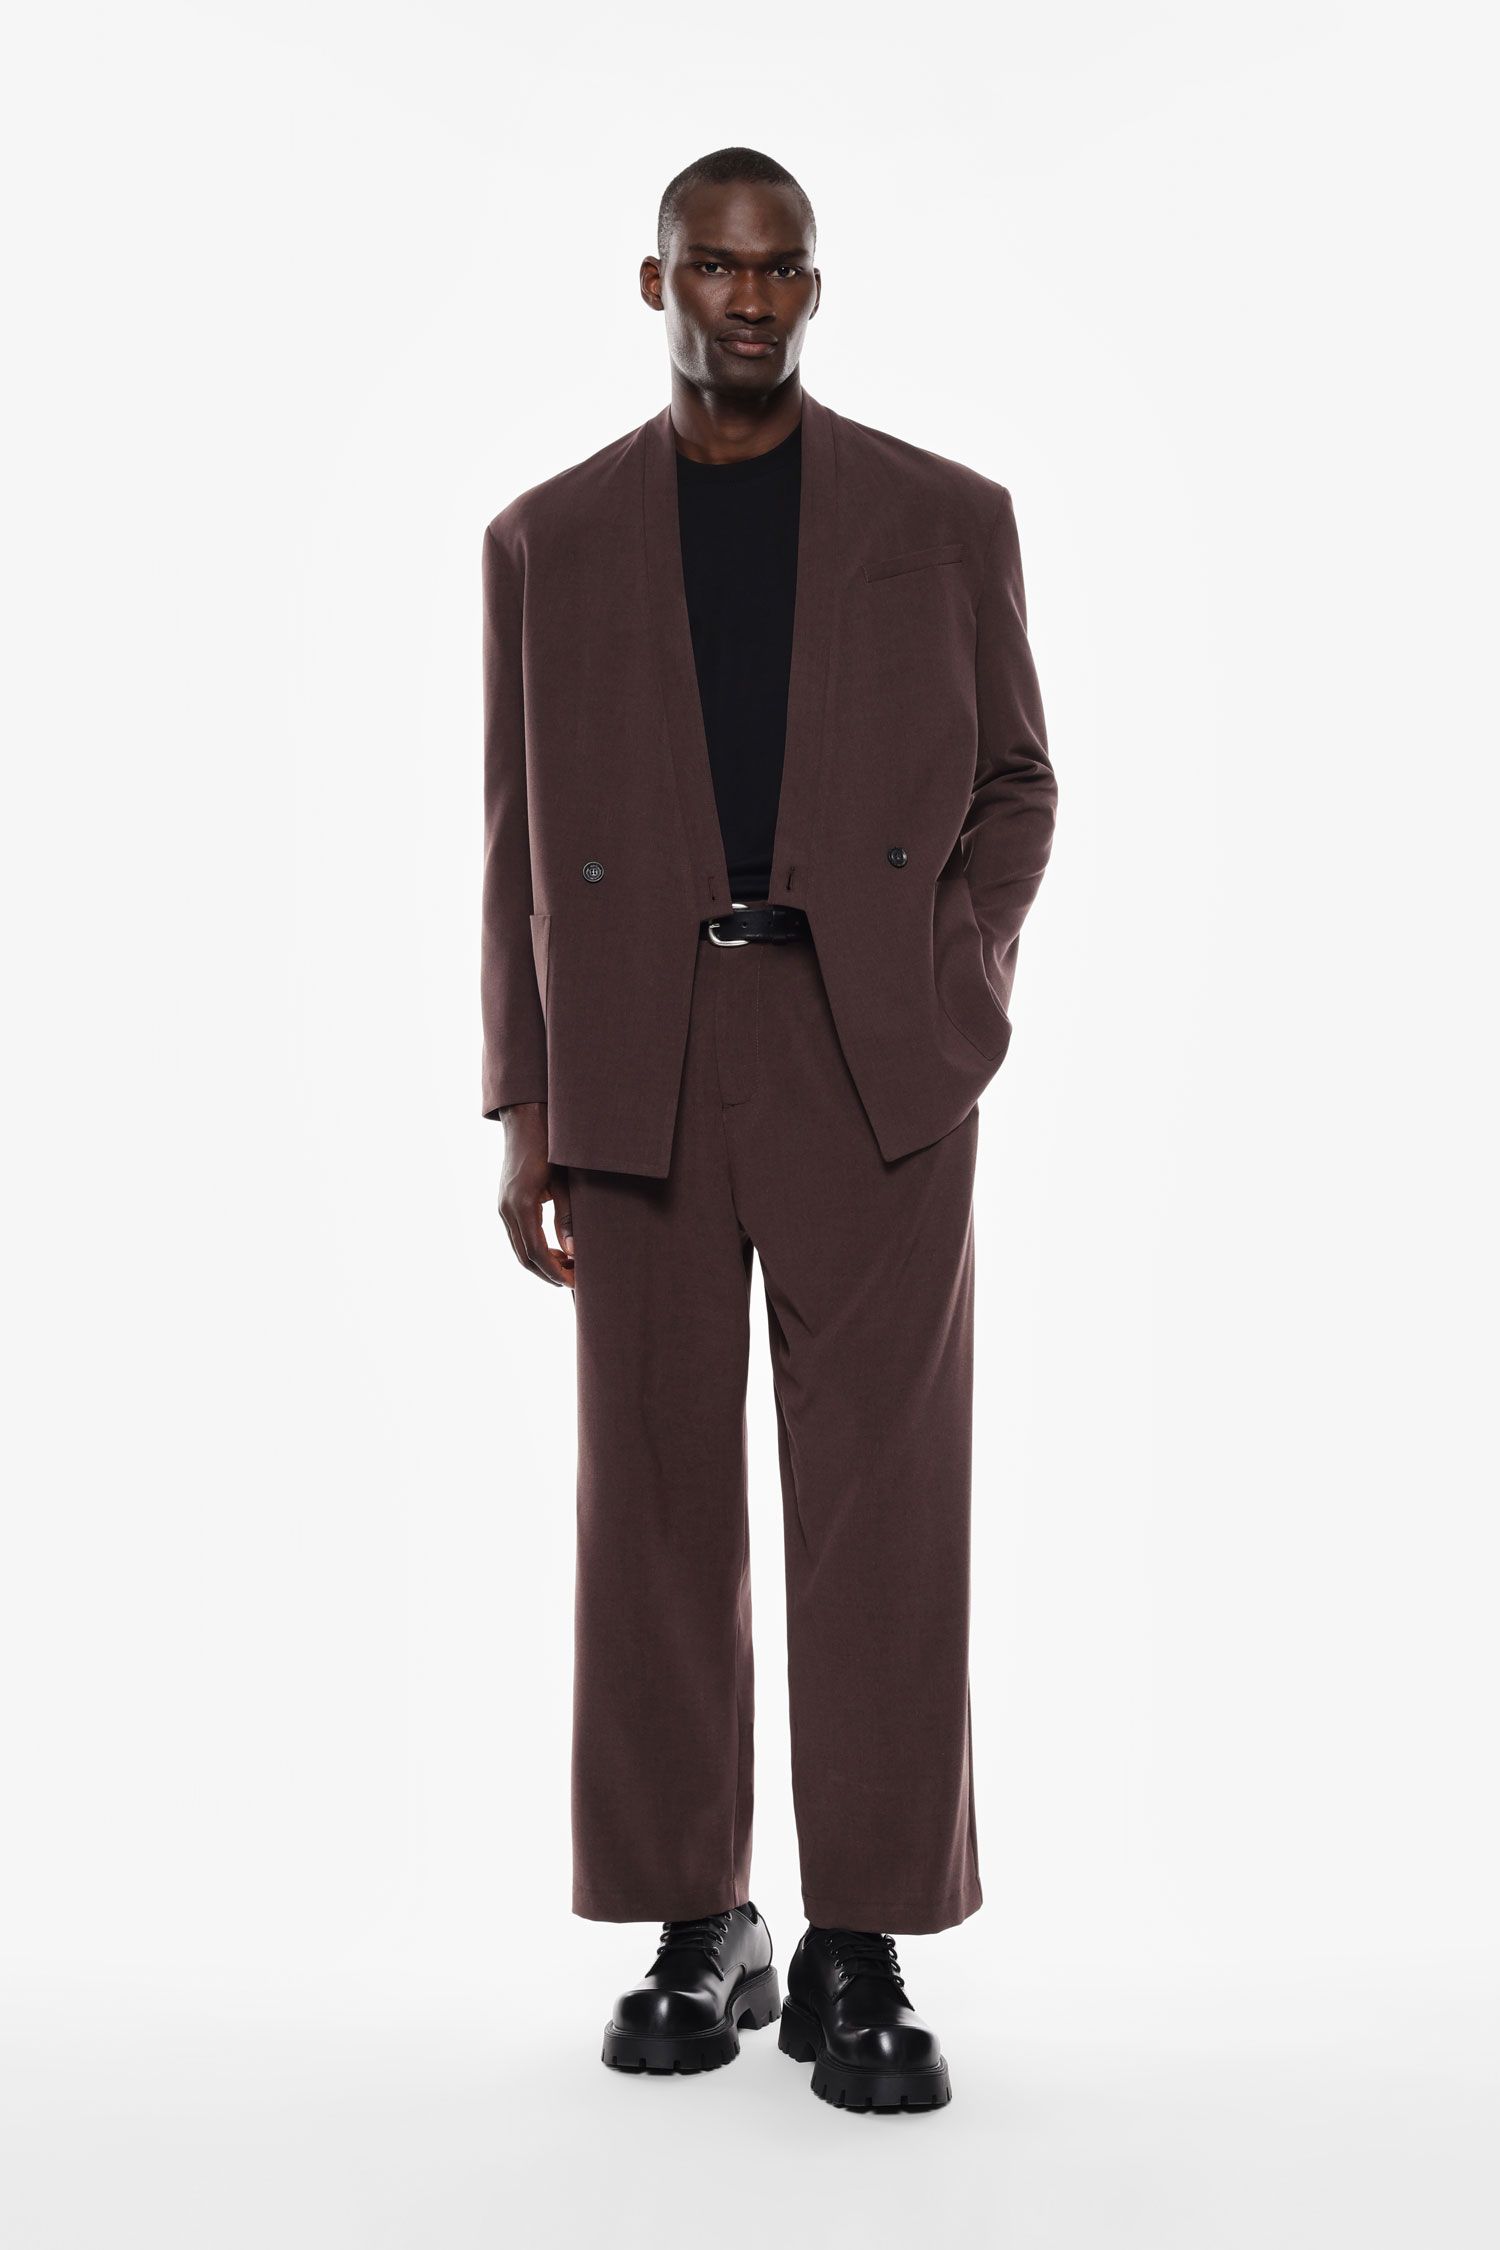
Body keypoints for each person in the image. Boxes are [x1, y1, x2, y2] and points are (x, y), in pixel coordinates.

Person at [480, 146, 1057, 2113]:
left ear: (815, 288)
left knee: (883, 1504)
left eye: (784, 268)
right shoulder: (546, 539)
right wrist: (526, 1104)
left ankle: (860, 1939)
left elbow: (1018, 784)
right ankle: (694, 1915)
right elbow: (510, 845)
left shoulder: (945, 516)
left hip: (867, 1051)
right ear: (653, 282)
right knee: (651, 1498)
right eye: (718, 267)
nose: (751, 298)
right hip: (635, 1050)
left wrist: (948, 983)